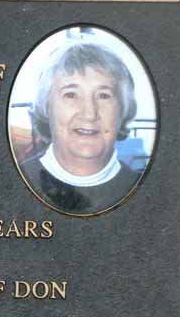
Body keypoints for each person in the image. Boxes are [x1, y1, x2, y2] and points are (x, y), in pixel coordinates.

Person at [19, 41, 142, 215]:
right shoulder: (15, 181)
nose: (89, 113)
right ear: (47, 106)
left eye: (103, 95)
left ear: (123, 108)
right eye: (71, 94)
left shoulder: (146, 190)